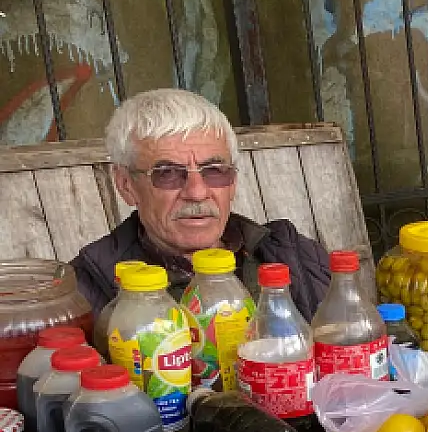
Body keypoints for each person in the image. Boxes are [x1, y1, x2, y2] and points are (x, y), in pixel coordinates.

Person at [71, 89, 332, 319]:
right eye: (168, 173)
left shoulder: (294, 255)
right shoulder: (85, 289)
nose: (196, 192)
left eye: (214, 170)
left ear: (233, 181)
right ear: (126, 185)